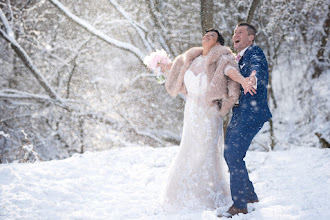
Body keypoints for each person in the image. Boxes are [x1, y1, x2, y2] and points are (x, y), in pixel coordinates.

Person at [158, 29, 256, 212]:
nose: (206, 36)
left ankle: (208, 194)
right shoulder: (190, 58)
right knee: (188, 149)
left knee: (205, 152)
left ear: (218, 43)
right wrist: (160, 67)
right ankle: (183, 193)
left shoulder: (222, 58)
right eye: (205, 34)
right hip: (191, 111)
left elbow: (230, 71)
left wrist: (243, 80)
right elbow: (176, 73)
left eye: (211, 36)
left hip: (209, 113)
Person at [219, 23, 272, 217]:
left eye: (241, 32)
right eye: (234, 32)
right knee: (229, 153)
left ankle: (240, 205)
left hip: (252, 113)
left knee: (233, 154)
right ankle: (250, 195)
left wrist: (252, 78)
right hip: (239, 112)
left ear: (251, 38)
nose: (236, 35)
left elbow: (257, 67)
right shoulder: (236, 59)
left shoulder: (254, 52)